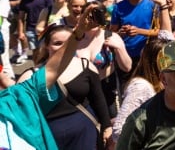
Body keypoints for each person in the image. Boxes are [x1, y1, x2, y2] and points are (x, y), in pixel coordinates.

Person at [19, 10, 113, 150]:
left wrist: (106, 127)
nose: (63, 47)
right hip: (50, 138)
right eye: (57, 43)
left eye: (68, 43)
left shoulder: (85, 66)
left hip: (85, 135)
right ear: (46, 46)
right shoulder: (31, 75)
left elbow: (98, 100)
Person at [0, 20, 83, 149]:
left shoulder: (16, 96)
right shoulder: (19, 92)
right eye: (57, 43)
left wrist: (78, 33)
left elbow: (51, 70)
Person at [111, 37, 169, 148]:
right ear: (155, 61)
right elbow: (119, 130)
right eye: (167, 59)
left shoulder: (160, 83)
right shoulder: (141, 87)